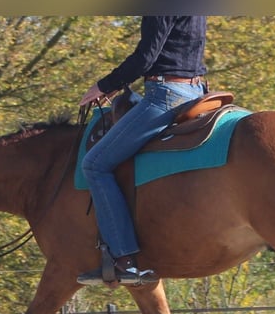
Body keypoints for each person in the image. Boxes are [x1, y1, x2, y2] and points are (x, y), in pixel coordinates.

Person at [77, 16, 208, 286]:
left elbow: (146, 57)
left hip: (167, 94)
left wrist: (104, 86)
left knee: (95, 165)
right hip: (199, 90)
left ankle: (124, 260)